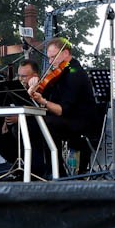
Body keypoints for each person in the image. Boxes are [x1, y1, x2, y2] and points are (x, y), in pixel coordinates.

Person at [29, 37, 101, 176]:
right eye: (49, 58)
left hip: (79, 121)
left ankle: (56, 172)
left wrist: (43, 101)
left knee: (46, 124)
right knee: (31, 123)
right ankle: (39, 170)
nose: (50, 62)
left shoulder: (75, 73)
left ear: (65, 53)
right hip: (65, 118)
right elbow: (44, 94)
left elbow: (62, 110)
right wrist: (34, 85)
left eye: (53, 57)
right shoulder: (60, 74)